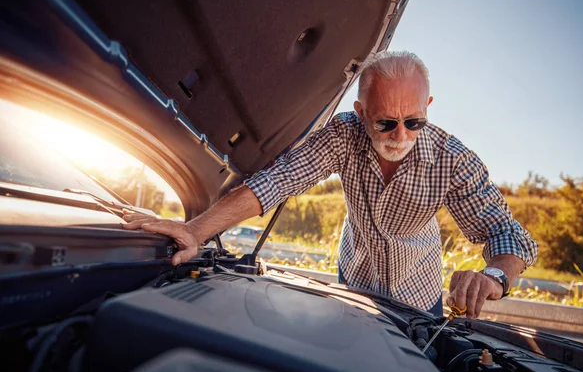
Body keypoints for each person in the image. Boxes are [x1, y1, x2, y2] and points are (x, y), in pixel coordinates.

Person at [123, 51, 538, 318]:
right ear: (360, 112)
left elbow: (508, 234)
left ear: (427, 107)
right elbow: (276, 181)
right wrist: (195, 230)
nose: (400, 136)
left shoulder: (452, 158)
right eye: (385, 123)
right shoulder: (342, 134)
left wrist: (494, 276)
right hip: (352, 276)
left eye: (414, 122)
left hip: (420, 289)